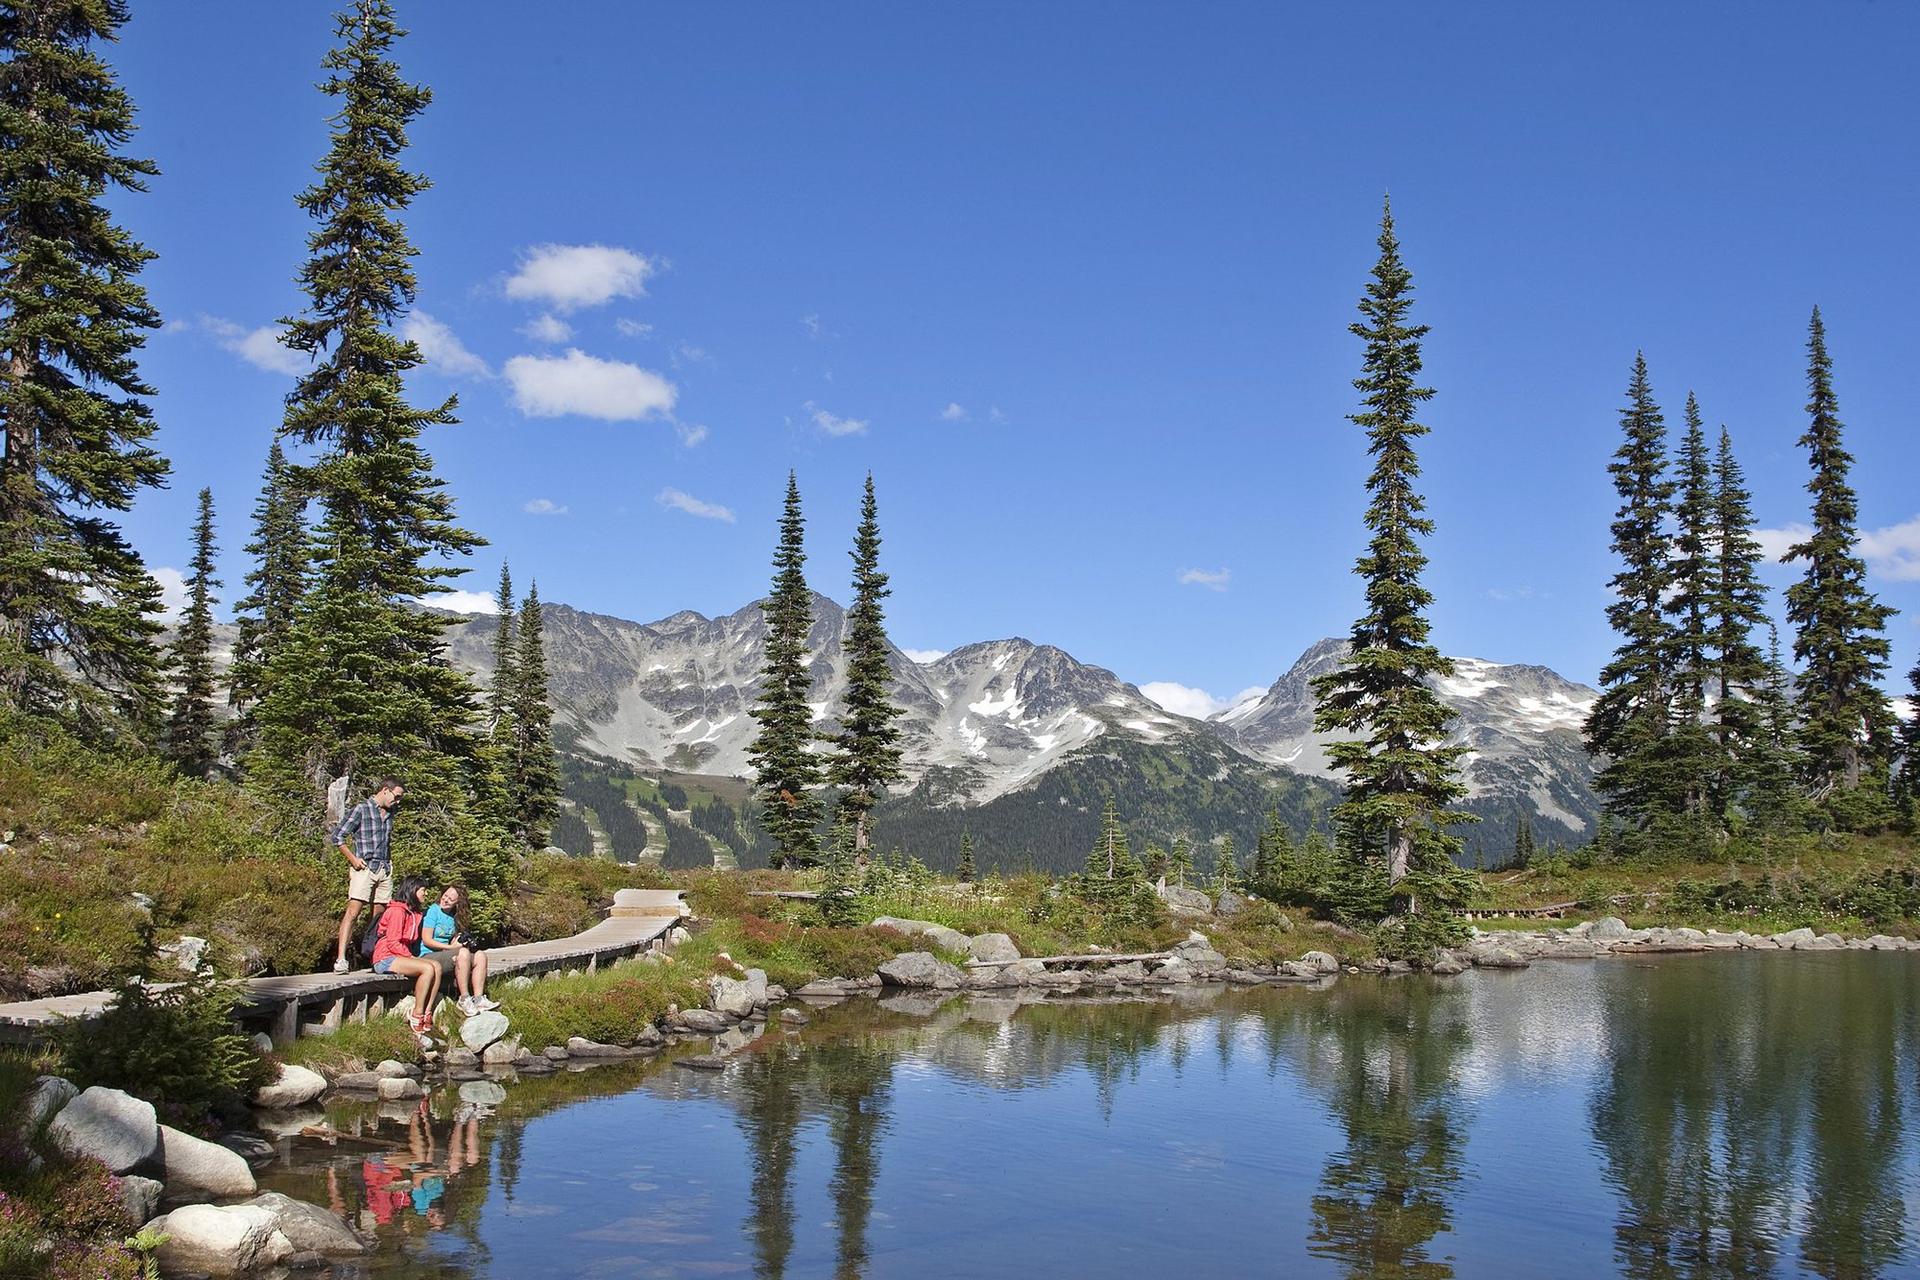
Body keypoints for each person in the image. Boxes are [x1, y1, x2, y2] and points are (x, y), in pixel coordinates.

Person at [332, 778, 405, 974]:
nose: (397, 801)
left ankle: (375, 956)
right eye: (396, 797)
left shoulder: (391, 812)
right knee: (353, 912)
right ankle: (341, 959)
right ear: (385, 790)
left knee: (380, 917)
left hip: (384, 868)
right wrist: (353, 859)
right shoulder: (362, 809)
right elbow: (337, 836)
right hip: (364, 868)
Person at [371, 875, 441, 1047]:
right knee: (427, 968)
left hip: (399, 956)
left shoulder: (414, 913)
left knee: (436, 966)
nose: (425, 893)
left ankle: (426, 1012)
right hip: (386, 957)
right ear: (413, 890)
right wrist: (411, 958)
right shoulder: (397, 911)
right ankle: (416, 1014)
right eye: (423, 890)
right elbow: (393, 942)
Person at [419, 884, 498, 1016]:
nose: (445, 900)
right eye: (445, 896)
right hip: (428, 955)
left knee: (480, 955)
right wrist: (452, 948)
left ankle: (478, 998)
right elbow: (427, 939)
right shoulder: (433, 911)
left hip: (445, 954)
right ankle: (464, 998)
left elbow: (454, 943)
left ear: (457, 903)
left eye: (450, 899)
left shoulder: (453, 917)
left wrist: (458, 943)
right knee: (462, 953)